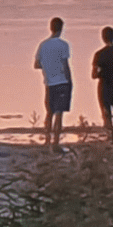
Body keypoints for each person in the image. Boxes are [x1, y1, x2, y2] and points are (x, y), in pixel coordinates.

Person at [35, 16, 74, 145]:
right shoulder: (63, 45)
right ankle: (56, 141)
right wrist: (70, 80)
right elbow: (65, 65)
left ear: (50, 28)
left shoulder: (43, 45)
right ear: (61, 29)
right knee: (59, 113)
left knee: (49, 112)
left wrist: (48, 65)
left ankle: (47, 140)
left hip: (49, 82)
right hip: (62, 81)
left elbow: (36, 64)